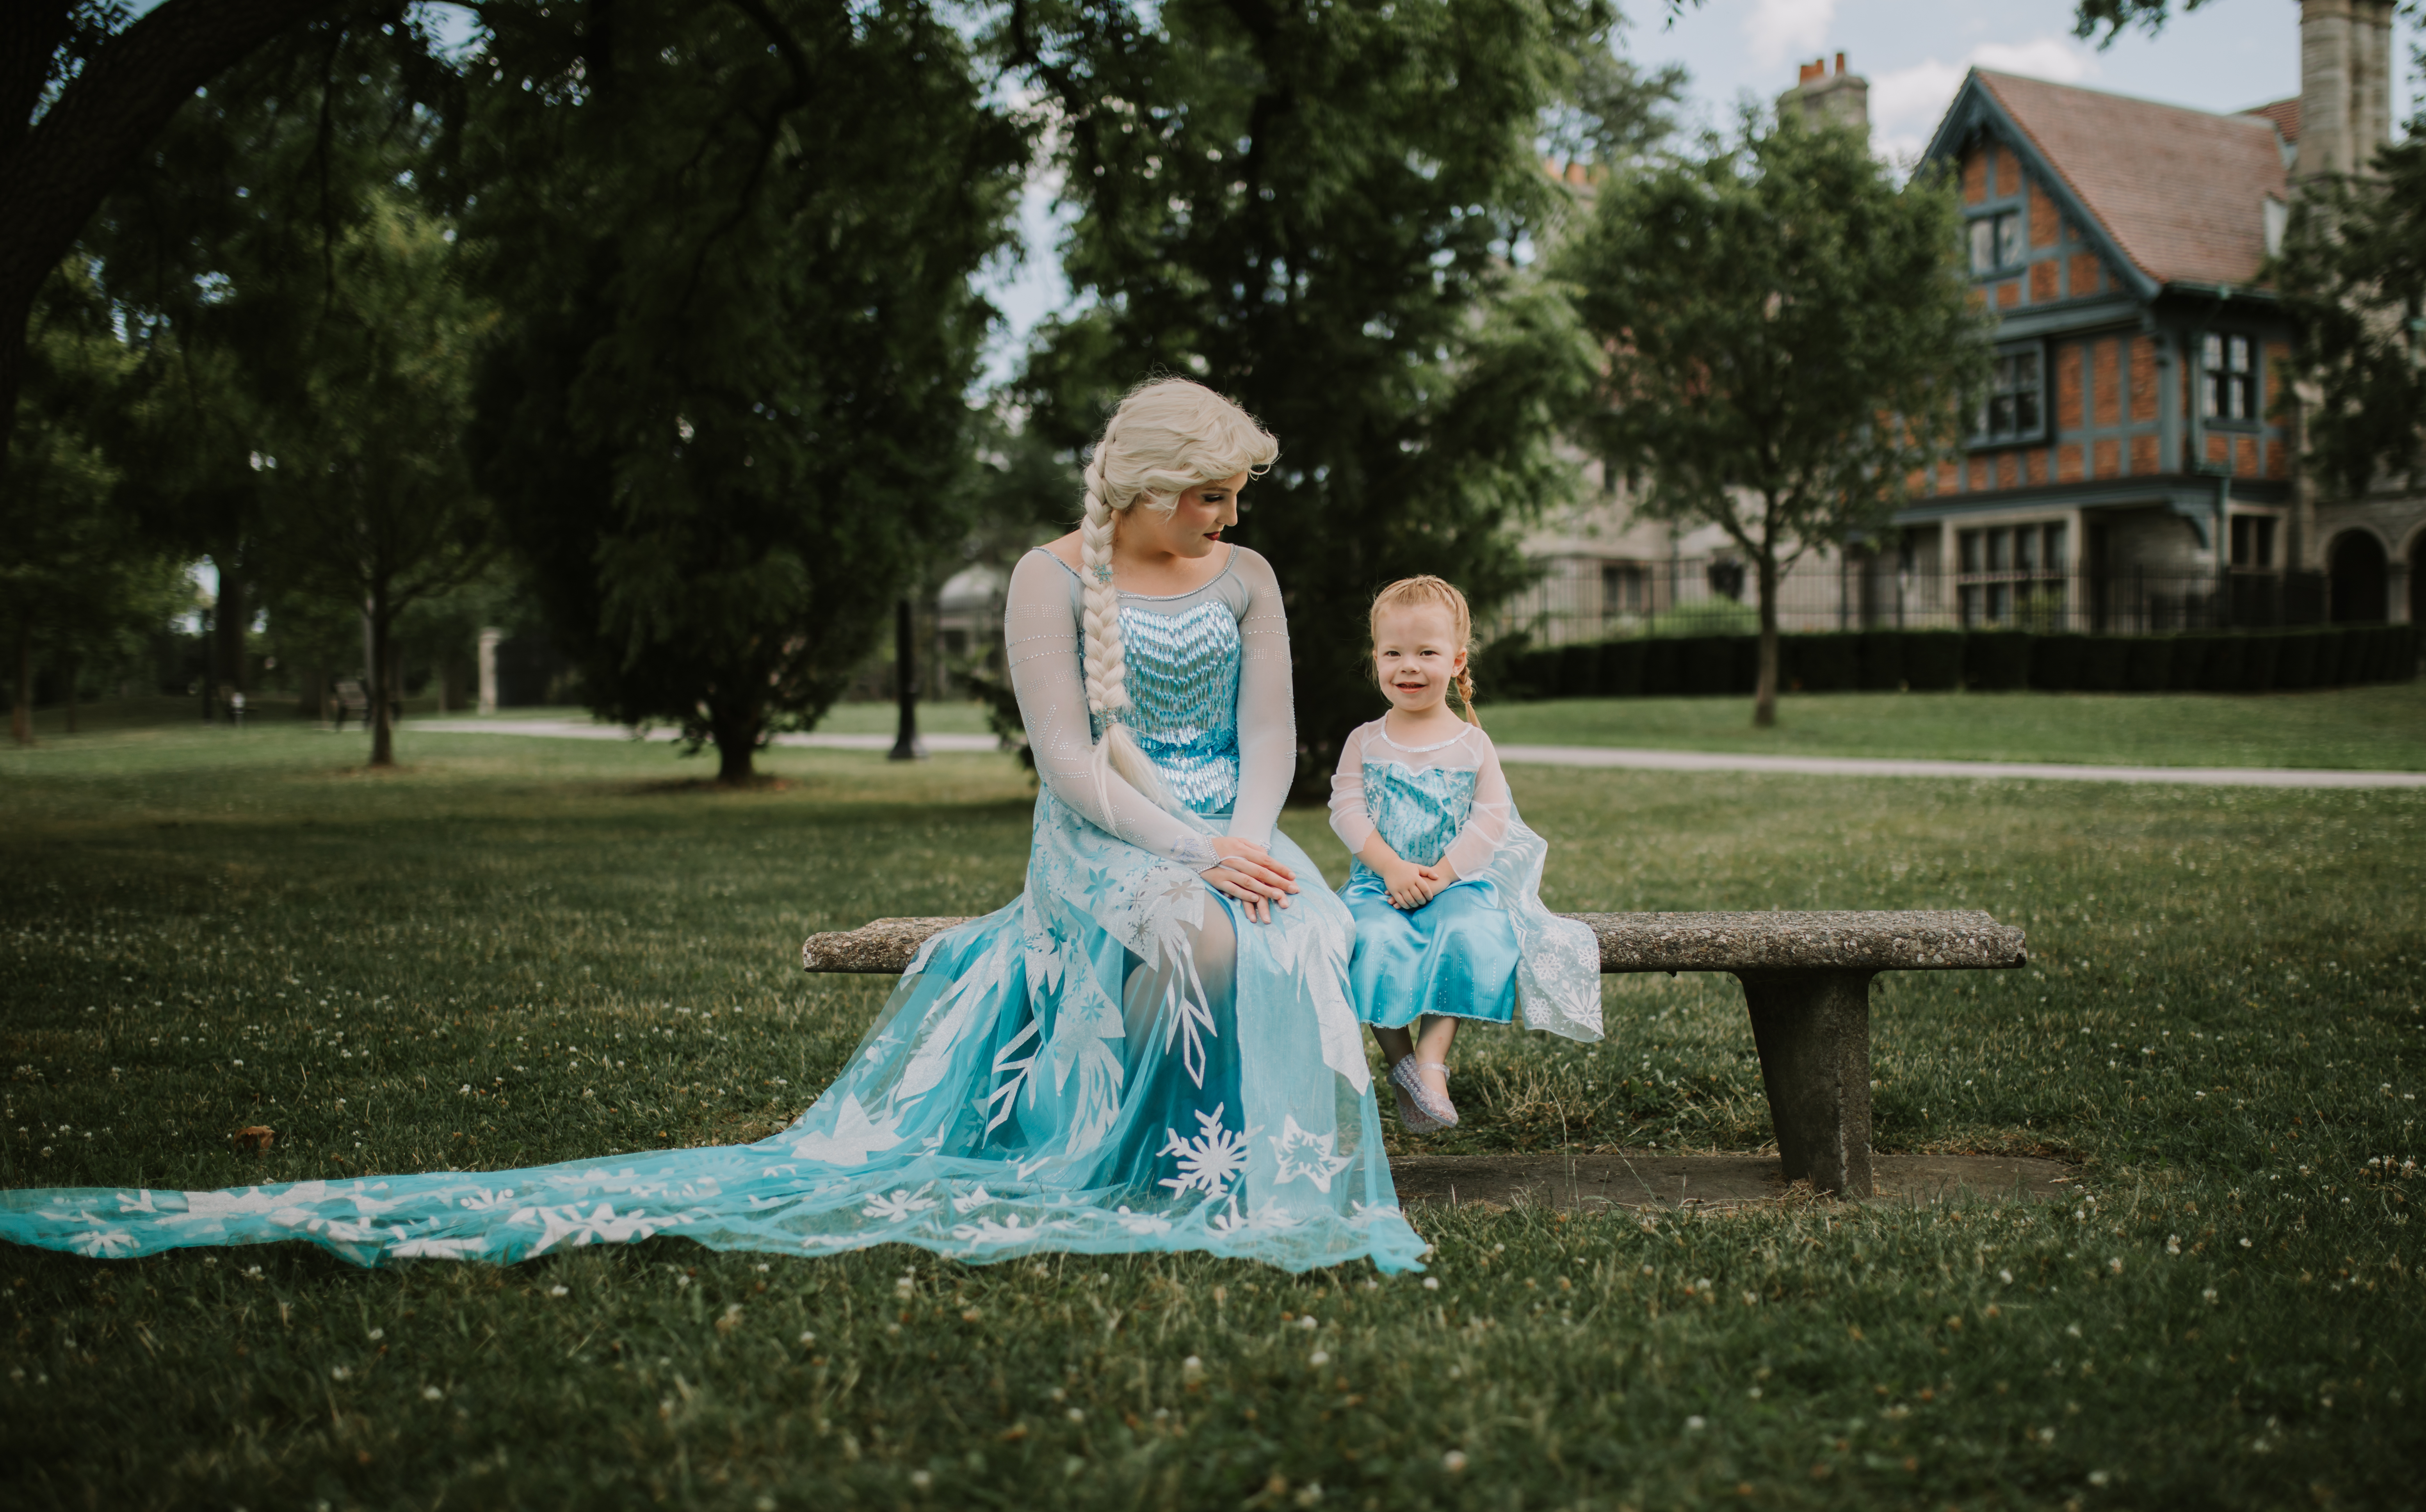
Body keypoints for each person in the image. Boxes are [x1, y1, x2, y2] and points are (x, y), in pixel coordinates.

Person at [0, 379, 1426, 1276]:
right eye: (1209, 495)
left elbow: (1269, 738)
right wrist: (1188, 852)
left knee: (1290, 929)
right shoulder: (1049, 579)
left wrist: (1249, 838)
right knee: (1197, 939)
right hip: (1106, 837)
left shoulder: (1245, 576)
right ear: (1142, 489)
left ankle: (1235, 1168)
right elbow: (1066, 764)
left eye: (1234, 499)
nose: (1227, 515)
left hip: (1228, 821)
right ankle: (1144, 1164)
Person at [1329, 576, 1603, 1133]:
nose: (1408, 666)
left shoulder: (1472, 745)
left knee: (1470, 933)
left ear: (1456, 661)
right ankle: (1401, 1063)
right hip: (1380, 884)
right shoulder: (1365, 740)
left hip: (1456, 883)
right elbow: (1347, 811)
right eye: (1393, 653)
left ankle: (1432, 1062)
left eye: (1426, 653)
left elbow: (1490, 822)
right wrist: (1393, 868)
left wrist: (1441, 876)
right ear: (1376, 659)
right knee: (1371, 938)